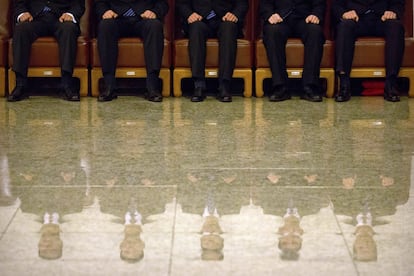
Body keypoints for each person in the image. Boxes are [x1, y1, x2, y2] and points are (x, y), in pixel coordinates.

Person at [8, 0, 85, 102]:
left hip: (61, 18)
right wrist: (22, 13)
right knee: (21, 29)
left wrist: (70, 14)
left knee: (69, 29)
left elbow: (78, 4)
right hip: (34, 18)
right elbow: (19, 3)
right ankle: (20, 85)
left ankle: (67, 85)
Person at [94, 0, 169, 102]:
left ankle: (153, 87)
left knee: (155, 26)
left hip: (144, 18)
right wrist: (105, 11)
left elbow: (163, 3)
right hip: (116, 17)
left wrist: (154, 12)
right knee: (105, 26)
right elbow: (99, 2)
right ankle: (109, 86)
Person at [332, 0, 405, 102]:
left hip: (382, 17)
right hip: (355, 17)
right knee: (344, 26)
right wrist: (344, 13)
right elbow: (336, 4)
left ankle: (391, 85)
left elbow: (398, 3)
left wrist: (393, 11)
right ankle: (344, 85)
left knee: (396, 27)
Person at [176, 0, 249, 102]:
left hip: (225, 19)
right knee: (196, 28)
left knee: (229, 28)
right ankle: (199, 85)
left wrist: (234, 14)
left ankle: (224, 86)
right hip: (199, 19)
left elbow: (242, 3)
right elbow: (181, 3)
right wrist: (189, 14)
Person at [260, 0, 326, 102]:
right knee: (272, 32)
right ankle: (280, 86)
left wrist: (315, 14)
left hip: (305, 18)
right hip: (280, 18)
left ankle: (310, 86)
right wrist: (270, 15)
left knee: (315, 31)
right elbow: (265, 3)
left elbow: (319, 4)